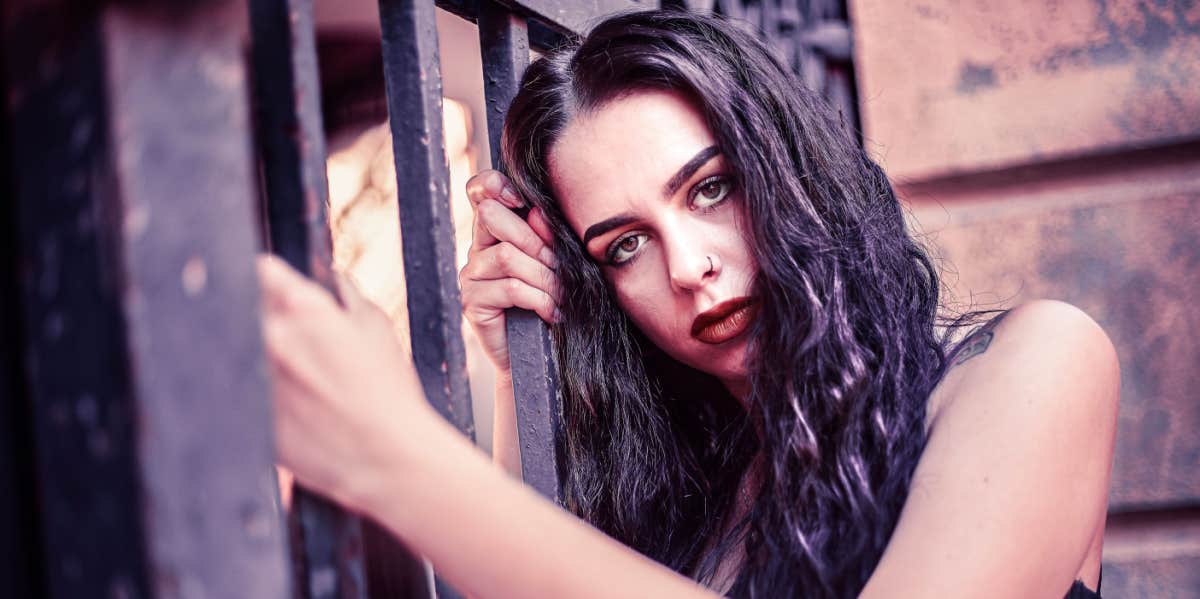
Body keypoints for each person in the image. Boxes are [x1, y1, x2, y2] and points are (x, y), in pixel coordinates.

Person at [258, 9, 1119, 598]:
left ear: (789, 163)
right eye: (624, 245)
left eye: (710, 188)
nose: (688, 266)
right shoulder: (693, 497)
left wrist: (395, 454)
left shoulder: (1035, 364)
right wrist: (527, 364)